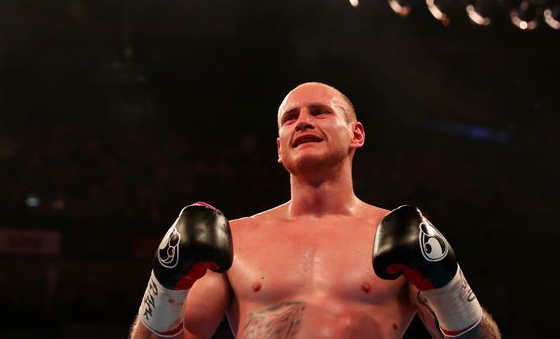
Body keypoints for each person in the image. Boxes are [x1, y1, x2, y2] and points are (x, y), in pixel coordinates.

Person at [130, 82, 502, 338]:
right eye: (290, 118)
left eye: (320, 112)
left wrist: (447, 285)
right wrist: (164, 283)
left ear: (356, 134)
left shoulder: (393, 234)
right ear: (280, 147)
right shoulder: (233, 241)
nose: (303, 121)